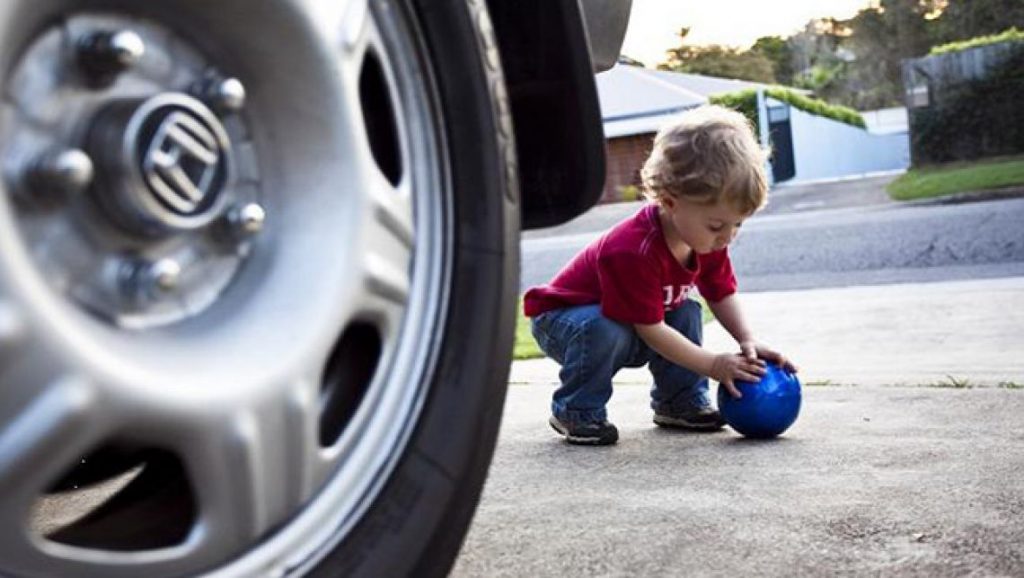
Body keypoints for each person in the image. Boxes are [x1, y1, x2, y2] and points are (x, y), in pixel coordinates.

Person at [523, 104, 797, 446]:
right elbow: (650, 330)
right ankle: (577, 410)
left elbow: (720, 292)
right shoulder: (632, 250)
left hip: (622, 324)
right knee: (604, 328)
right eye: (717, 225)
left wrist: (747, 341)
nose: (727, 237)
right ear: (670, 202)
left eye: (737, 223)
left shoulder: (705, 241)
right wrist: (714, 365)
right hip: (564, 323)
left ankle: (679, 402)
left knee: (685, 310)